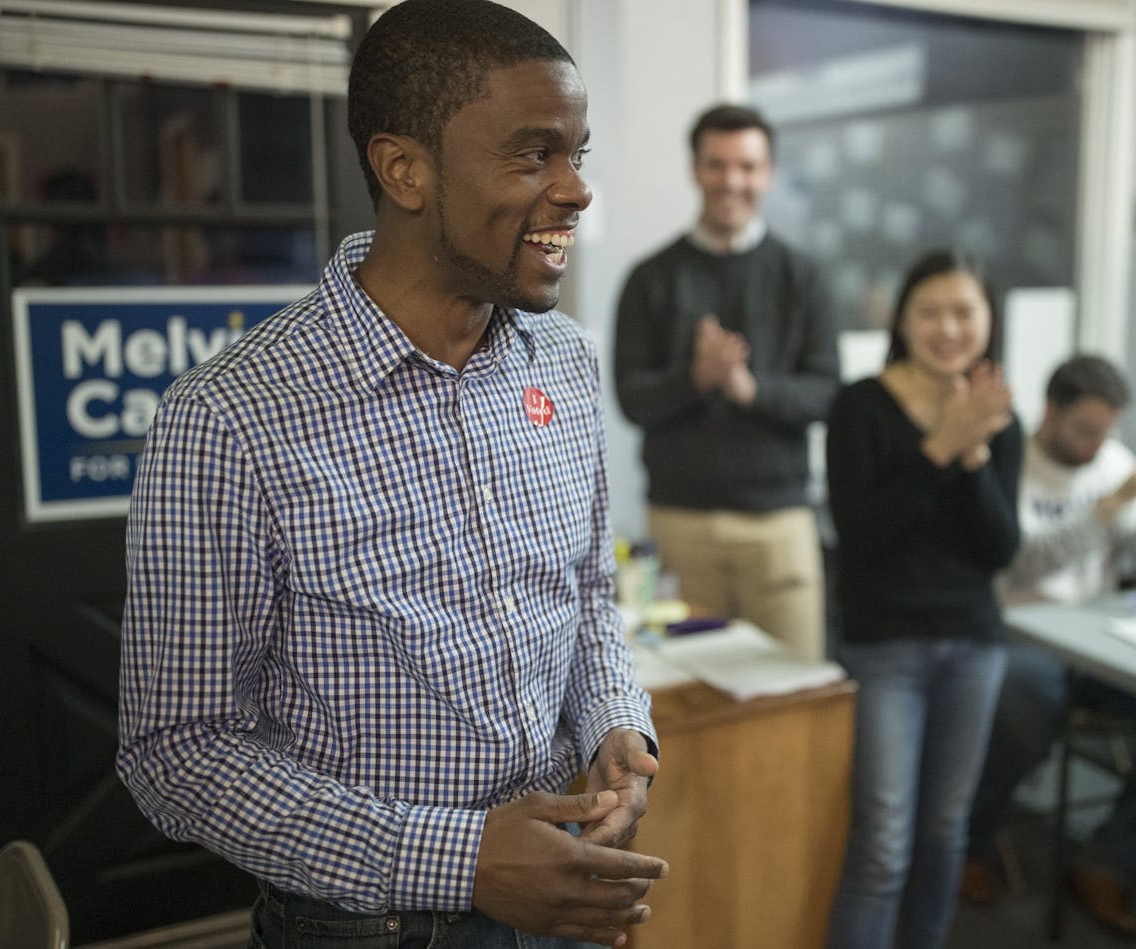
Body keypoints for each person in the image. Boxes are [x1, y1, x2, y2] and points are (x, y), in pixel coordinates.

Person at [116, 3, 667, 947]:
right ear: (404, 169)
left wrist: (619, 725)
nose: (576, 190)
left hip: (560, 892)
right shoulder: (232, 420)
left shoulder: (565, 364)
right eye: (536, 155)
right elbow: (178, 753)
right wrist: (461, 859)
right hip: (368, 928)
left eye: (579, 152)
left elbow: (586, 595)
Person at [961, 354, 1136, 936]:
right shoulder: (1010, 458)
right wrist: (1110, 507)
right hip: (1021, 634)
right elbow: (1020, 562)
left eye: (1106, 431)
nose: (1096, 444)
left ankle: (1111, 862)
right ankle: (970, 840)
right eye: (1084, 429)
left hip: (1101, 637)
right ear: (1051, 412)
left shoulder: (1112, 462)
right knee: (1027, 696)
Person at [825, 250, 1021, 948]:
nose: (949, 328)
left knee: (946, 833)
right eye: (930, 311)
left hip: (974, 644)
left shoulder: (997, 414)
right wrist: (938, 447)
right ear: (902, 319)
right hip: (887, 649)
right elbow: (863, 534)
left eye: (965, 311)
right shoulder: (860, 405)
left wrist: (973, 452)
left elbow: (998, 546)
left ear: (988, 320)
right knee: (883, 845)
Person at [613, 103, 839, 661]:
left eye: (747, 166)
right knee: (695, 699)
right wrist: (696, 378)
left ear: (768, 174)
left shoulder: (803, 277)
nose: (731, 181)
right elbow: (631, 398)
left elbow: (827, 393)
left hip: (779, 525)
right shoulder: (651, 278)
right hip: (681, 521)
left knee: (793, 698)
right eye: (717, 165)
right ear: (695, 170)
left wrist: (748, 389)